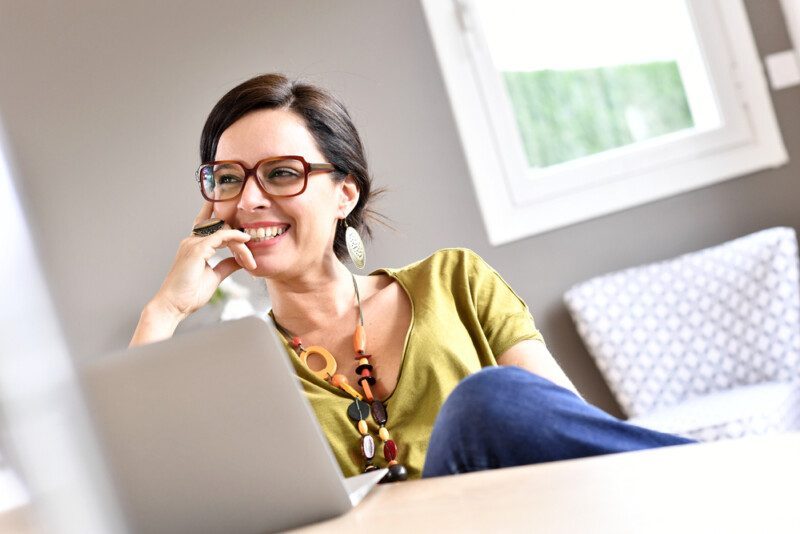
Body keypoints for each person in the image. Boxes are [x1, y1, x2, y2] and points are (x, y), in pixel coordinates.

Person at [130, 73, 693, 483]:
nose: (251, 199)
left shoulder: (455, 281)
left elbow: (565, 432)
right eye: (228, 179)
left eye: (281, 173)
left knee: (488, 403)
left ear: (344, 194)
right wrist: (165, 313)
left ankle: (716, 480)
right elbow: (133, 485)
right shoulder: (235, 368)